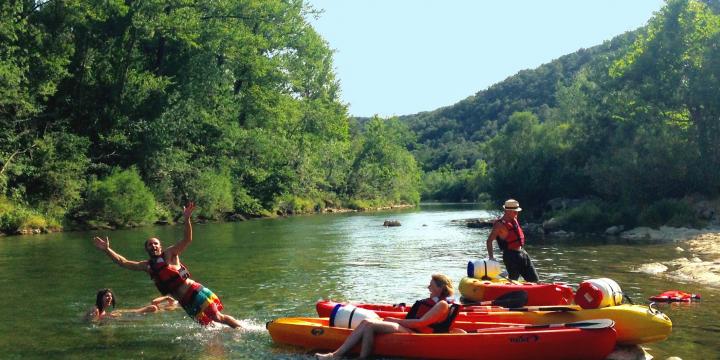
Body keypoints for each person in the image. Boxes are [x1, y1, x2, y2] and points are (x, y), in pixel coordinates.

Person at [93, 202, 242, 328]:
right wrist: (107, 249)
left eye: (156, 244)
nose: (153, 246)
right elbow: (123, 262)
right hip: (184, 301)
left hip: (195, 292)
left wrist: (187, 219)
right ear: (147, 249)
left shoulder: (170, 254)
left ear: (160, 246)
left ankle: (241, 330)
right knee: (207, 326)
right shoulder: (147, 266)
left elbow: (187, 239)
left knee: (217, 317)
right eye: (150, 245)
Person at [315, 274, 460, 359]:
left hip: (417, 333)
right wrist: (397, 321)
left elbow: (421, 323)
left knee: (370, 325)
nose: (428, 288)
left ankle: (343, 356)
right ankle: (337, 355)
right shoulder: (437, 302)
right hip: (412, 329)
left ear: (440, 288)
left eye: (431, 285)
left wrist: (395, 320)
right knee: (367, 322)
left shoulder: (442, 305)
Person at [486, 199, 539, 282]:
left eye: (517, 211)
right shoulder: (499, 224)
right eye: (514, 211)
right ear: (507, 211)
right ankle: (505, 281)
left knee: (535, 280)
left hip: (522, 253)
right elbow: (489, 241)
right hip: (510, 256)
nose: (516, 213)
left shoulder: (514, 218)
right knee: (513, 280)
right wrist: (491, 257)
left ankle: (505, 274)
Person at [84, 289, 178, 322]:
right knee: (152, 308)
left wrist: (107, 317)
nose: (110, 298)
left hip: (152, 310)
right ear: (100, 298)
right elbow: (92, 322)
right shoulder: (95, 309)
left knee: (118, 313)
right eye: (107, 296)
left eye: (110, 296)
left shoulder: (101, 310)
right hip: (152, 309)